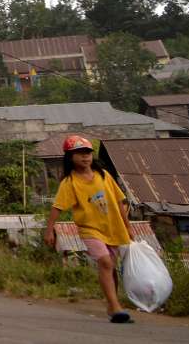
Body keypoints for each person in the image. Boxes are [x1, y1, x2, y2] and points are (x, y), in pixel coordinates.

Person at [43, 134, 133, 324]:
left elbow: (119, 201)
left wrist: (127, 226)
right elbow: (57, 207)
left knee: (111, 267)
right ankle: (115, 307)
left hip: (112, 227)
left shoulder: (104, 175)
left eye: (88, 153)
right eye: (80, 153)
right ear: (70, 157)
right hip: (90, 229)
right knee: (105, 262)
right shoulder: (70, 182)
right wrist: (49, 230)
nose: (85, 157)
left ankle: (113, 305)